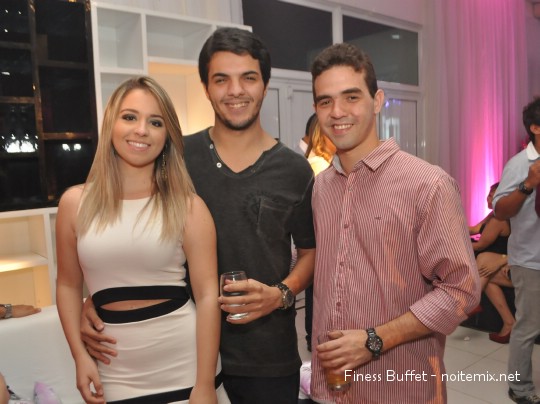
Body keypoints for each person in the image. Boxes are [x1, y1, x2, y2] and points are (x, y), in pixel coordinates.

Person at [80, 28, 316, 404]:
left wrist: (280, 294)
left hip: (268, 357)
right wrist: (95, 301)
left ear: (265, 84)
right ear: (206, 87)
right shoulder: (174, 158)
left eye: (248, 78)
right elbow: (126, 230)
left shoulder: (294, 170)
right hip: (186, 355)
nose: (235, 91)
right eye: (221, 79)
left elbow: (309, 253)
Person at [309, 43, 480, 403]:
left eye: (351, 97)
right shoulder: (322, 186)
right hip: (333, 388)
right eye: (325, 101)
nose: (337, 112)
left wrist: (375, 339)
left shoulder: (427, 184)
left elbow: (461, 291)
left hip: (400, 387)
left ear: (377, 100)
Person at [55, 76, 227, 404]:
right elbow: (67, 285)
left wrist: (204, 383)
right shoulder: (74, 204)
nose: (141, 130)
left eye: (155, 122)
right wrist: (79, 356)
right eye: (130, 117)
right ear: (111, 124)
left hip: (185, 366)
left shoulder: (189, 207)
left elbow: (207, 297)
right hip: (114, 370)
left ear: (167, 135)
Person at [493, 97, 540, 404]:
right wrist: (528, 184)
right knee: (529, 327)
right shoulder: (520, 164)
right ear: (535, 128)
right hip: (531, 260)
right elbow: (499, 210)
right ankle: (519, 388)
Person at [300, 114, 335, 352]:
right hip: (322, 241)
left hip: (317, 240)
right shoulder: (320, 166)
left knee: (314, 291)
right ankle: (315, 339)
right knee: (317, 293)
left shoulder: (314, 161)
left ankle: (312, 338)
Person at [469, 182, 514, 343]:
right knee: (484, 268)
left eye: (492, 196)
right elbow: (475, 229)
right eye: (488, 195)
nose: (488, 198)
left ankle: (471, 301)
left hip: (509, 261)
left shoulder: (499, 219)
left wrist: (456, 244)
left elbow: (480, 245)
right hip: (498, 259)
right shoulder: (493, 215)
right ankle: (509, 323)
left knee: (483, 260)